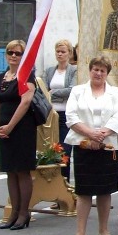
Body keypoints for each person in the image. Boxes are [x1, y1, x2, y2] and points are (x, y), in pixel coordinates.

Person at [65, 57, 118, 235]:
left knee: (104, 191)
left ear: (107, 73)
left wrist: (101, 136)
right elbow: (71, 116)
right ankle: (80, 233)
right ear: (89, 70)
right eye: (95, 70)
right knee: (83, 191)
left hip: (107, 146)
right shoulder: (77, 91)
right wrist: (90, 134)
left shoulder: (116, 92)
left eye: (102, 70)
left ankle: (104, 230)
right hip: (83, 144)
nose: (98, 73)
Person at [0, 39, 36, 231]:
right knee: (10, 170)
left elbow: (25, 103)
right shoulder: (1, 77)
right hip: (4, 128)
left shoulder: (26, 76)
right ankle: (13, 212)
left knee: (22, 170)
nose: (13, 56)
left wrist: (10, 126)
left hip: (21, 128)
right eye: (10, 52)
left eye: (18, 53)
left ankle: (23, 213)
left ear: (23, 56)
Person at [45, 39, 78, 181]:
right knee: (51, 151)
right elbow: (43, 89)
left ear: (69, 53)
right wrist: (53, 93)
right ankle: (54, 185)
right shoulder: (49, 71)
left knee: (64, 151)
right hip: (51, 115)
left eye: (63, 52)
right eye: (57, 51)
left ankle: (66, 185)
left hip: (66, 115)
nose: (60, 54)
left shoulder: (73, 70)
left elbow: (72, 90)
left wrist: (53, 93)